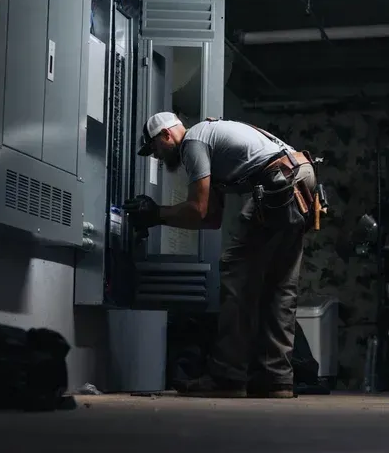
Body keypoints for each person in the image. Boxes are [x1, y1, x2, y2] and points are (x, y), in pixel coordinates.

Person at [125, 112, 317, 399]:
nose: (157, 157)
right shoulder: (210, 139)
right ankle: (276, 378)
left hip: (278, 182)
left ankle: (228, 376)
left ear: (166, 135)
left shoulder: (193, 142)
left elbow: (197, 209)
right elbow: (212, 217)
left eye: (154, 149)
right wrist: (159, 216)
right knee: (280, 285)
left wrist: (155, 214)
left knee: (236, 272)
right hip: (299, 177)